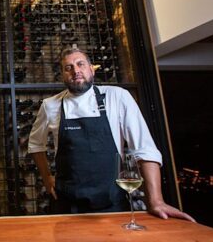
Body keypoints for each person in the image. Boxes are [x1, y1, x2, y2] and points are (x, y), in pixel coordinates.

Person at [28, 47, 195, 222]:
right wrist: (47, 178)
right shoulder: (50, 105)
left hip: (112, 203)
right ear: (62, 74)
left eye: (80, 64)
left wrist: (156, 201)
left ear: (91, 68)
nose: (75, 71)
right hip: (66, 204)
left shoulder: (117, 96)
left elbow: (144, 149)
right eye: (68, 67)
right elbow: (35, 144)